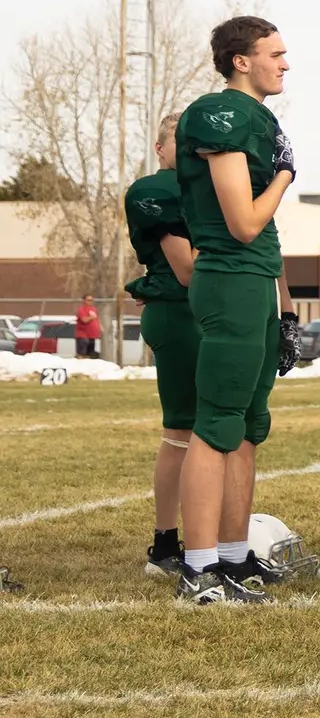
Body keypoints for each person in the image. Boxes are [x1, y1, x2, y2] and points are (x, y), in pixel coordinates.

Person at [172, 15, 296, 605]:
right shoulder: (219, 114)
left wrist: (286, 307)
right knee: (217, 423)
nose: (285, 63)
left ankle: (231, 555)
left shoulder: (259, 117)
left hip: (255, 281)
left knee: (247, 427)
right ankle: (197, 569)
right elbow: (246, 221)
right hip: (229, 274)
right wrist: (285, 176)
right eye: (274, 53)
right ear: (240, 60)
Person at [124, 111, 198, 580]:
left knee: (211, 433)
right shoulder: (159, 190)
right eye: (180, 143)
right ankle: (166, 542)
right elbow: (188, 270)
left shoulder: (202, 189)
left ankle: (207, 537)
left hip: (204, 311)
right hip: (179, 310)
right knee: (182, 432)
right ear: (160, 148)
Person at [73, 294, 101, 359]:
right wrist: (92, 317)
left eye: (91, 300)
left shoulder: (93, 309)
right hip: (83, 336)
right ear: (84, 301)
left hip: (92, 336)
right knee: (82, 354)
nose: (90, 302)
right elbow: (84, 320)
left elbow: (96, 320)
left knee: (90, 355)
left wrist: (99, 327)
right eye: (88, 300)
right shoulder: (81, 310)